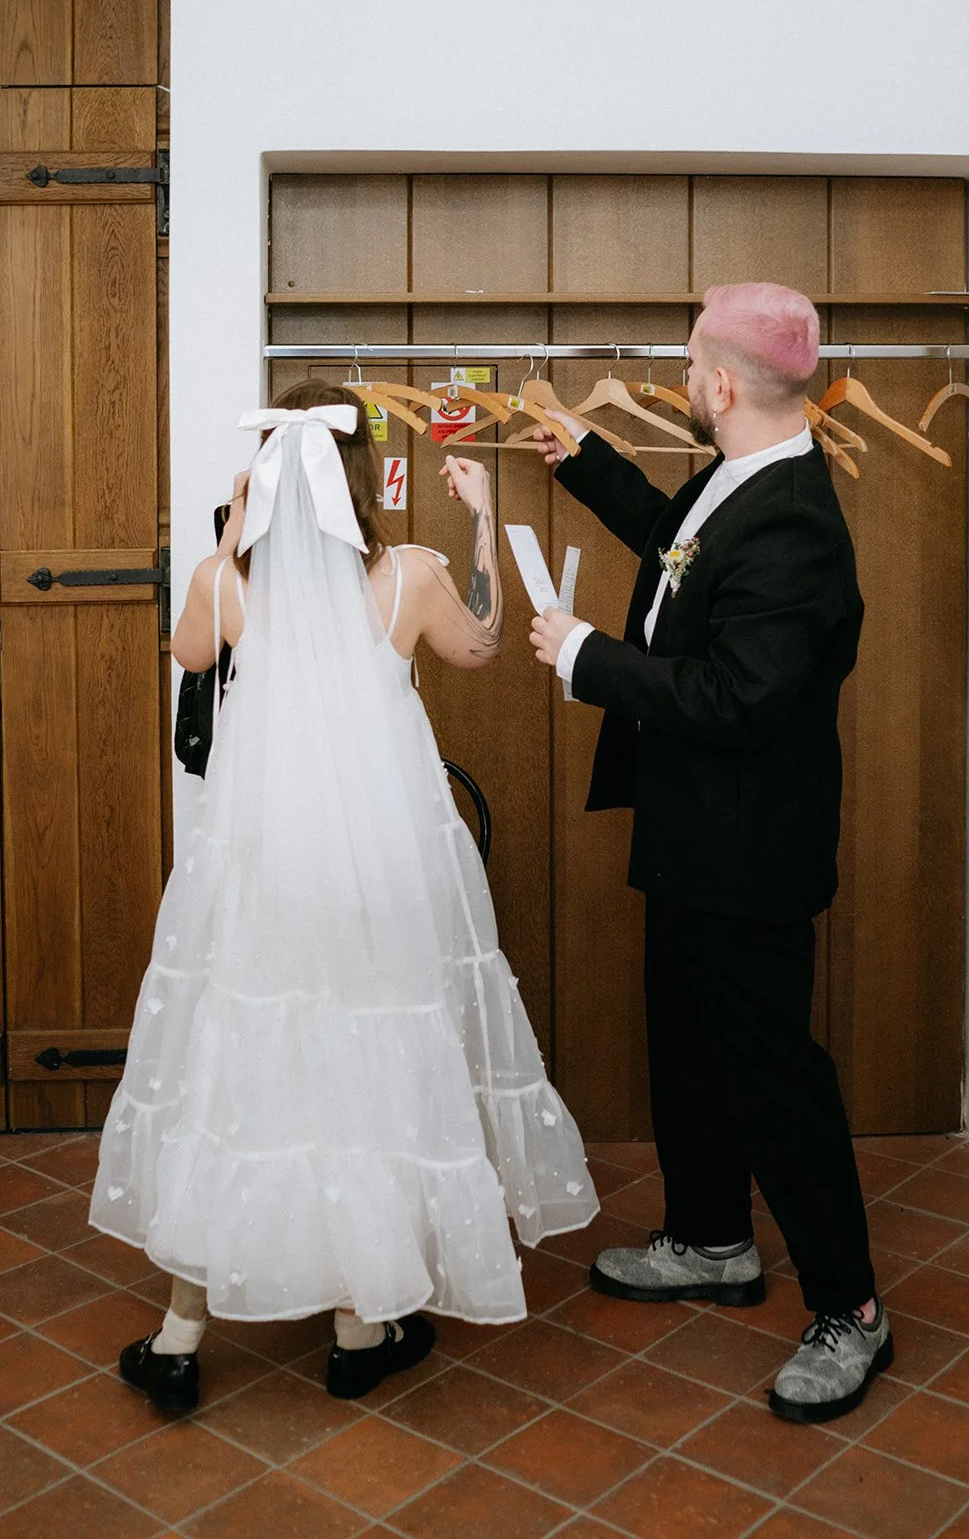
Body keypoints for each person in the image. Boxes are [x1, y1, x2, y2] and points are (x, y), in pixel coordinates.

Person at [90, 379, 597, 1413]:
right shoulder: (408, 574)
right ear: (360, 474)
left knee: (239, 1073)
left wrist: (229, 545)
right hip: (378, 877)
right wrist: (485, 534)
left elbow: (188, 653)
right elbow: (487, 643)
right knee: (365, 1067)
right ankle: (359, 1326)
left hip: (265, 874)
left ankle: (182, 1335)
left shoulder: (229, 585)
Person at [529, 284, 891, 1424]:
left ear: (722, 384)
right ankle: (710, 1238)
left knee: (771, 1076)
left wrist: (588, 656)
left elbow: (735, 697)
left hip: (749, 854)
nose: (683, 383)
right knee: (685, 1041)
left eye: (689, 367)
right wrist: (581, 456)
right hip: (691, 834)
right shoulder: (734, 484)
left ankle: (852, 1312)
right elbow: (673, 553)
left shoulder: (793, 517)